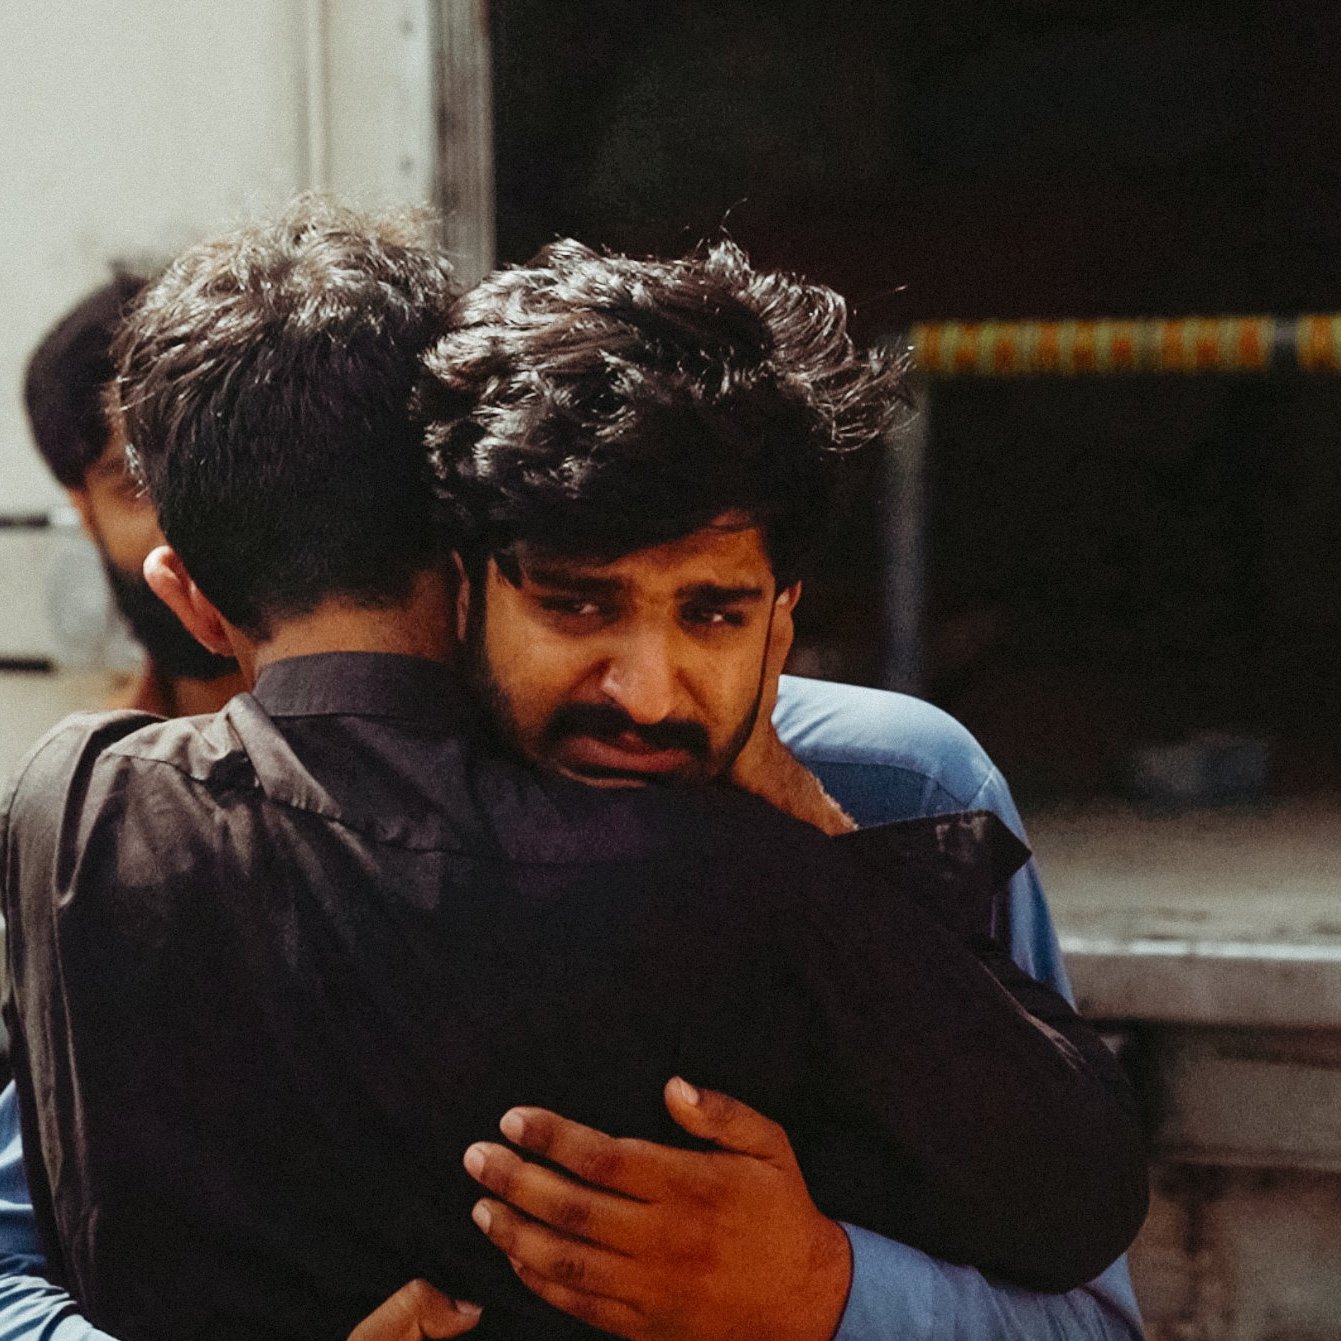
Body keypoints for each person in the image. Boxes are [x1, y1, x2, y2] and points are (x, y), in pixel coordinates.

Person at [0, 206, 1144, 1341]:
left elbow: (1093, 1314)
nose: (645, 692)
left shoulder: (894, 788)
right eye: (576, 602)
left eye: (713, 613)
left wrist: (826, 1293)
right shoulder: (152, 826)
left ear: (782, 614)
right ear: (470, 568)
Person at [22, 277, 243, 715]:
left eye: (203, 469)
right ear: (84, 510)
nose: (176, 527)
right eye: (136, 486)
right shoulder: (93, 778)